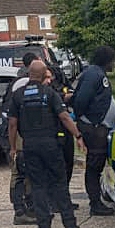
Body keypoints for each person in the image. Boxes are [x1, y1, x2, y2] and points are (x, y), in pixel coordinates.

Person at [8, 60, 86, 228]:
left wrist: (13, 147)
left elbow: (12, 125)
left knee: (38, 185)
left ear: (29, 74)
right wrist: (78, 136)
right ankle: (70, 224)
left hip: (30, 145)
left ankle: (44, 227)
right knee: (60, 182)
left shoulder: (19, 95)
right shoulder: (49, 94)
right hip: (51, 145)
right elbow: (65, 117)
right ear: (44, 75)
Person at [73, 45, 115, 216]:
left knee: (96, 165)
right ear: (106, 61)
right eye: (112, 60)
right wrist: (91, 121)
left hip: (98, 127)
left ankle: (97, 199)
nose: (114, 63)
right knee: (94, 166)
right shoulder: (94, 74)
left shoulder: (96, 73)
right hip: (94, 129)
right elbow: (81, 100)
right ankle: (95, 203)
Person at [0, 52, 39, 225]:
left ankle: (29, 207)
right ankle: (20, 210)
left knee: (27, 170)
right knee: (19, 171)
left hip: (18, 131)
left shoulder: (20, 81)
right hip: (14, 132)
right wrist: (13, 146)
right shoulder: (23, 83)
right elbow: (14, 118)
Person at [44, 67, 79, 211]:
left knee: (67, 166)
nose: (50, 79)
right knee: (55, 169)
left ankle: (63, 199)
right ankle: (54, 201)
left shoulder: (60, 82)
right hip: (52, 133)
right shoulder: (44, 92)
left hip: (64, 131)